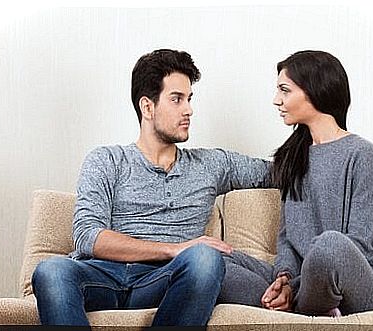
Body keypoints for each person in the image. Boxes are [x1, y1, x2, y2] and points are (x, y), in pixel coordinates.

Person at [31, 49, 272, 327]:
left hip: (163, 281)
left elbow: (280, 171)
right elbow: (88, 237)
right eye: (176, 99)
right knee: (51, 270)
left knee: (205, 259)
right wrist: (174, 249)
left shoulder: (210, 165)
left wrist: (319, 123)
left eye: (189, 99)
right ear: (147, 107)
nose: (189, 110)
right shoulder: (107, 160)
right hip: (101, 277)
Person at [218, 50, 373, 317]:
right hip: (305, 282)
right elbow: (288, 239)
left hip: (361, 285)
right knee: (213, 262)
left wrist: (294, 286)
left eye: (285, 90)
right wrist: (283, 279)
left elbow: (359, 245)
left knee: (330, 246)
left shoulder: (362, 153)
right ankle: (298, 306)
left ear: (315, 91)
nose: (276, 100)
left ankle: (297, 305)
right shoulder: (294, 157)